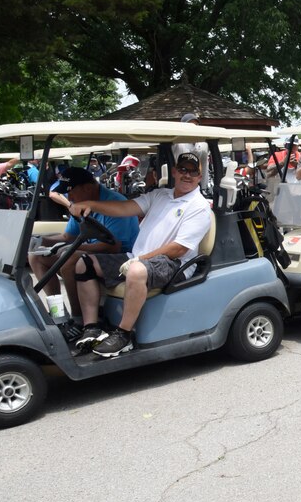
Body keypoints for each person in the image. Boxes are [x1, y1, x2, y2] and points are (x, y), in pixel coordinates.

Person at [69, 150, 213, 358]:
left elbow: (179, 248)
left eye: (193, 172)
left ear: (200, 177)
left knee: (136, 271)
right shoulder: (160, 195)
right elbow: (125, 208)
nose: (187, 175)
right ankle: (92, 327)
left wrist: (140, 259)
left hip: (175, 264)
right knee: (85, 263)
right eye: (183, 170)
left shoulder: (198, 206)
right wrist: (90, 204)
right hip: (140, 258)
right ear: (174, 172)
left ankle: (123, 334)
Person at [29, 167, 140, 320]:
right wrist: (41, 240)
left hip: (120, 257)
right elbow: (68, 236)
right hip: (93, 253)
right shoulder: (80, 204)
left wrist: (71, 247)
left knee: (70, 257)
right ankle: (59, 314)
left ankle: (78, 318)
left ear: (87, 187)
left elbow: (113, 246)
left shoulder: (115, 203)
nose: (70, 197)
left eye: (71, 191)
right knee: (35, 257)